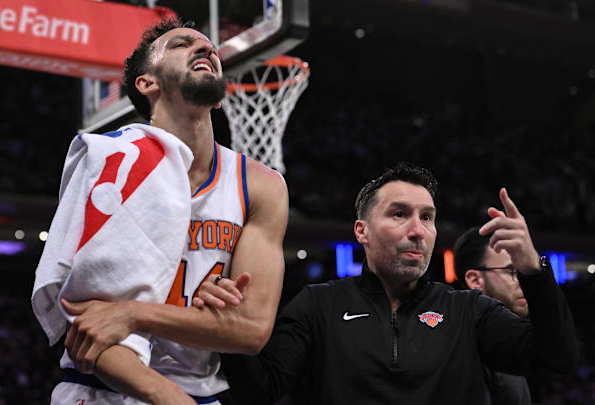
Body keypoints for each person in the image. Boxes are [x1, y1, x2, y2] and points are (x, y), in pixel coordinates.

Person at [52, 17, 289, 405]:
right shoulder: (111, 161)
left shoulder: (261, 184)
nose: (206, 49)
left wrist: (132, 313)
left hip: (200, 393)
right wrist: (167, 394)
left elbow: (251, 329)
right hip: (103, 391)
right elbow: (86, 322)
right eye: (181, 44)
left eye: (210, 47)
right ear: (148, 83)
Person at [201, 162, 577, 404]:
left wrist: (533, 271)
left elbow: (557, 358)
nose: (418, 231)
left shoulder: (469, 310)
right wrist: (227, 330)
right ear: (361, 231)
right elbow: (259, 390)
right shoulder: (318, 306)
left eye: (427, 218)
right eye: (399, 214)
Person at [453, 227, 532, 405]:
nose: (523, 282)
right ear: (475, 280)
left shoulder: (507, 343)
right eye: (512, 271)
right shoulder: (461, 353)